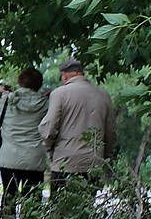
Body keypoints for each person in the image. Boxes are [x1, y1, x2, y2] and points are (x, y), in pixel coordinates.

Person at [38, 58, 117, 197]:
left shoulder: (59, 94)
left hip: (65, 162)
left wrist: (50, 151)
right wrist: (106, 157)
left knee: (60, 213)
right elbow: (110, 132)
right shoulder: (103, 95)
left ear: (65, 75)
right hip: (93, 164)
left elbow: (48, 129)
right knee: (86, 210)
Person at [0, 67, 50, 216]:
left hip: (9, 158)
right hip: (35, 159)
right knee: (33, 200)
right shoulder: (45, 104)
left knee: (9, 196)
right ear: (39, 84)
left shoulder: (8, 101)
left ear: (20, 82)